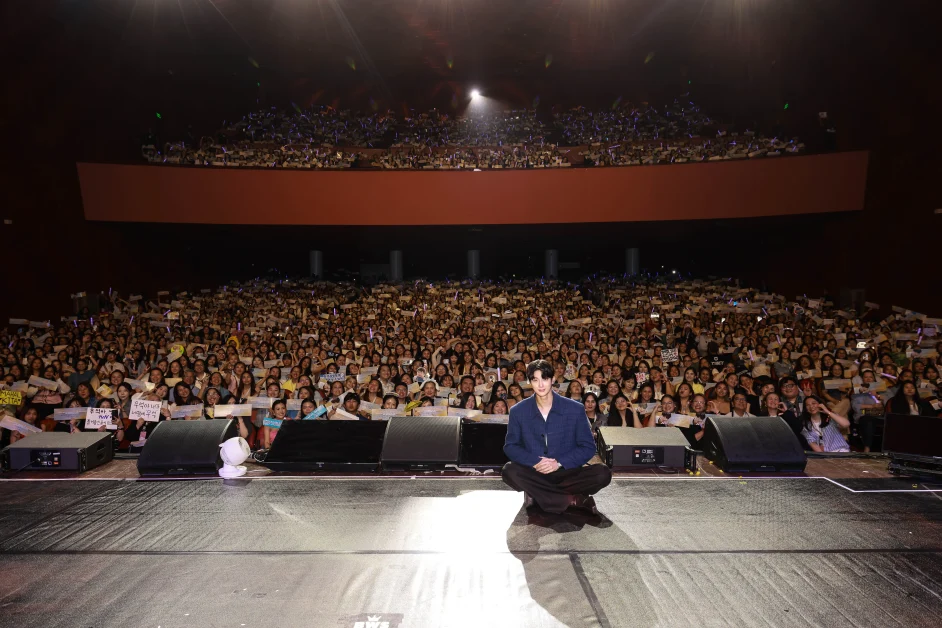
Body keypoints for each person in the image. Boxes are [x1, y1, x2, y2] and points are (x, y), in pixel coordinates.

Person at [501, 359, 612, 514]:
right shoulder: (518, 411)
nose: (540, 385)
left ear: (553, 379)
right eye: (535, 379)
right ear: (529, 381)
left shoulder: (575, 409)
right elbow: (511, 446)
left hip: (567, 472)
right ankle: (572, 499)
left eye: (544, 379)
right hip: (535, 471)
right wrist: (536, 462)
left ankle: (539, 496)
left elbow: (588, 447)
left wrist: (558, 463)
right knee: (509, 471)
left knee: (603, 473)